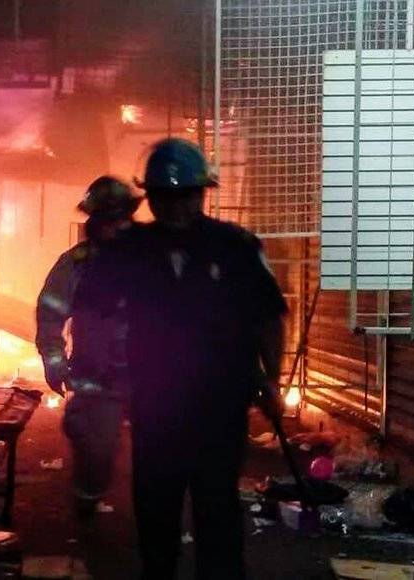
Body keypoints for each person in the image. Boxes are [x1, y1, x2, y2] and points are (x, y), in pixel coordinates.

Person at [74, 139, 287, 579]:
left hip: (221, 406)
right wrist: (99, 378)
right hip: (155, 406)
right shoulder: (127, 250)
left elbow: (267, 318)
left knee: (217, 509)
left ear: (202, 193)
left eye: (185, 195)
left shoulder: (236, 247)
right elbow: (92, 310)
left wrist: (272, 380)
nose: (175, 207)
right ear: (149, 196)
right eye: (165, 197)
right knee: (156, 513)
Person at [35, 175, 141, 516]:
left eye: (121, 217)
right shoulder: (76, 264)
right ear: (94, 220)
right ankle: (86, 502)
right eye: (108, 219)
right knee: (99, 453)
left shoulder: (150, 259)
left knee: (162, 458)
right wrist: (54, 361)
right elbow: (50, 314)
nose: (116, 227)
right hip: (98, 379)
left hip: (147, 377)